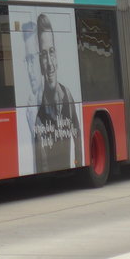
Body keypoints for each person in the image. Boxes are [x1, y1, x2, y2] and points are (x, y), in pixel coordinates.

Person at [33, 13, 81, 172]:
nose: (49, 63)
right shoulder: (38, 113)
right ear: (40, 62)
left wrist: (79, 166)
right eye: (43, 55)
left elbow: (79, 140)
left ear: (57, 55)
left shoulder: (67, 97)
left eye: (51, 51)